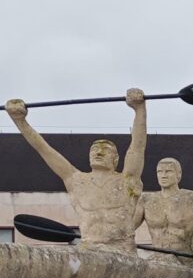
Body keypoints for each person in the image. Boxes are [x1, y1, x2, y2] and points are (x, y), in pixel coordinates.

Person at [5, 89, 147, 252]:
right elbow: (44, 149)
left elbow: (137, 147)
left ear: (116, 159)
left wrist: (140, 109)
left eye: (105, 150)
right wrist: (19, 121)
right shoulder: (76, 180)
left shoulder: (127, 180)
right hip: (88, 250)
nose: (98, 153)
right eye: (94, 150)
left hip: (122, 249)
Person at [134, 157, 193, 264]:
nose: (163, 175)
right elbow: (127, 228)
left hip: (185, 259)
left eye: (168, 171)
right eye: (159, 172)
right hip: (158, 259)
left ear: (178, 174)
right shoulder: (146, 200)